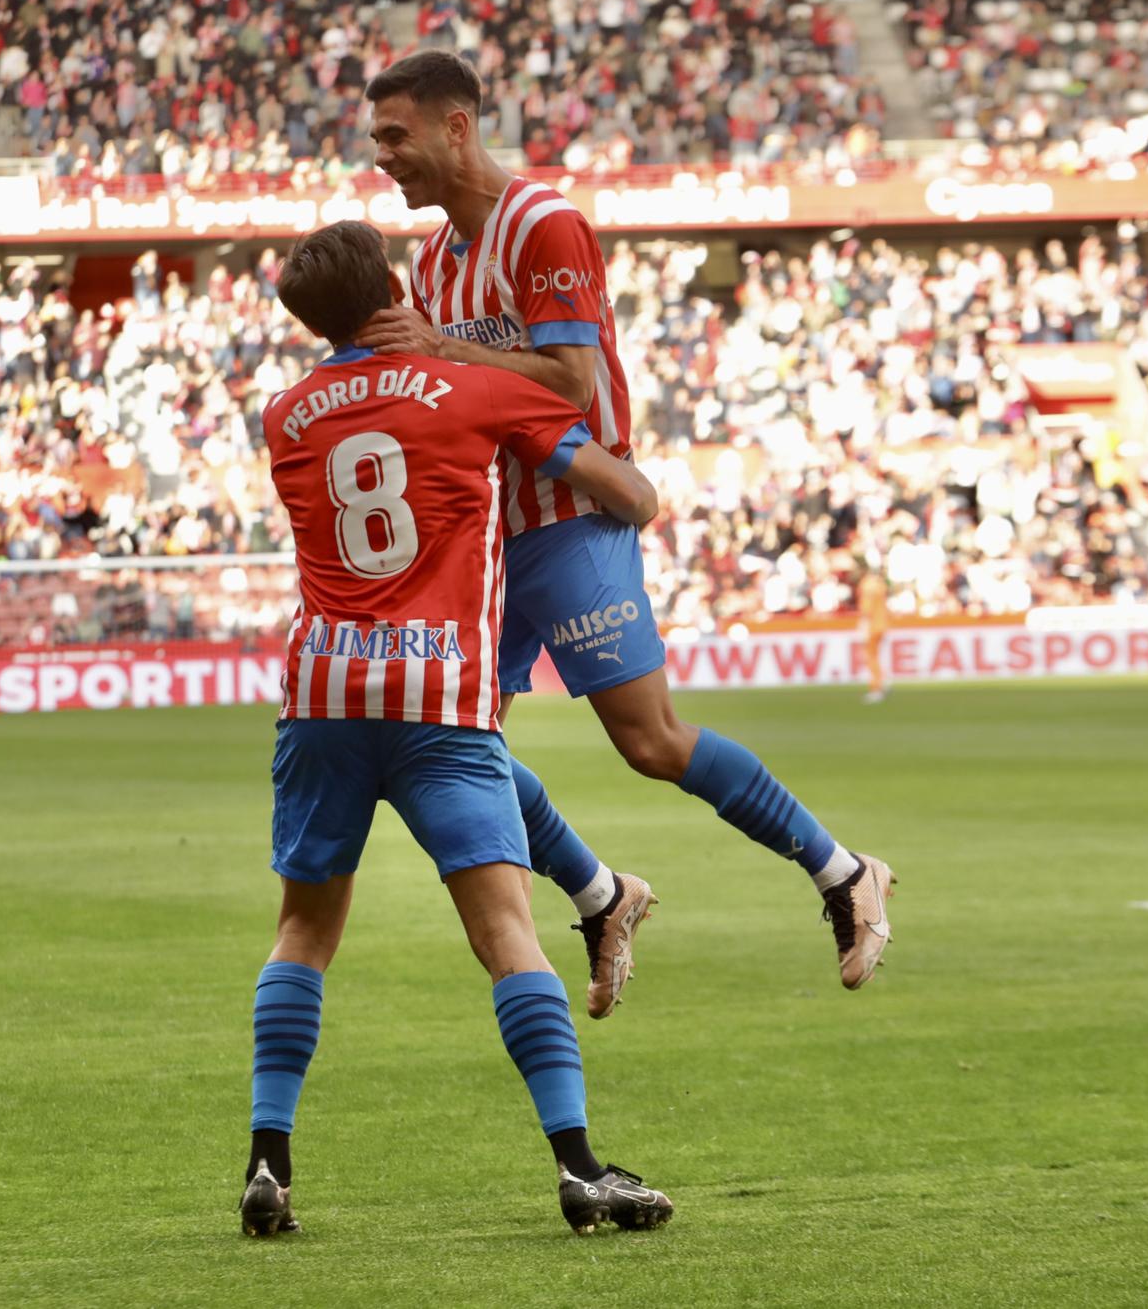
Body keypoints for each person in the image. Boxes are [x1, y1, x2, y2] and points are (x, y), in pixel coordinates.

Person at [357, 51, 895, 1011]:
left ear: (456, 126)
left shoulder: (544, 224)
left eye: (396, 135)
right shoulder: (436, 260)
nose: (383, 155)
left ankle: (843, 869)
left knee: (648, 740)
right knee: (444, 743)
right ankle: (604, 894)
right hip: (490, 530)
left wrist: (438, 350)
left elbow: (569, 380)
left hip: (572, 514)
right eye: (376, 140)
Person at [240, 220, 673, 1239]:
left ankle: (269, 1162)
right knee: (506, 934)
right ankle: (577, 1168)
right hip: (439, 695)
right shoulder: (471, 389)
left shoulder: (284, 413)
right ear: (394, 286)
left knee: (300, 933)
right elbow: (626, 493)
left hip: (323, 692)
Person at [858, 569, 890, 704]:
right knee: (876, 657)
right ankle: (883, 683)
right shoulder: (880, 584)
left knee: (871, 658)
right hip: (882, 624)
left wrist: (863, 627)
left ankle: (876, 688)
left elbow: (866, 609)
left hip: (872, 626)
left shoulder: (867, 586)